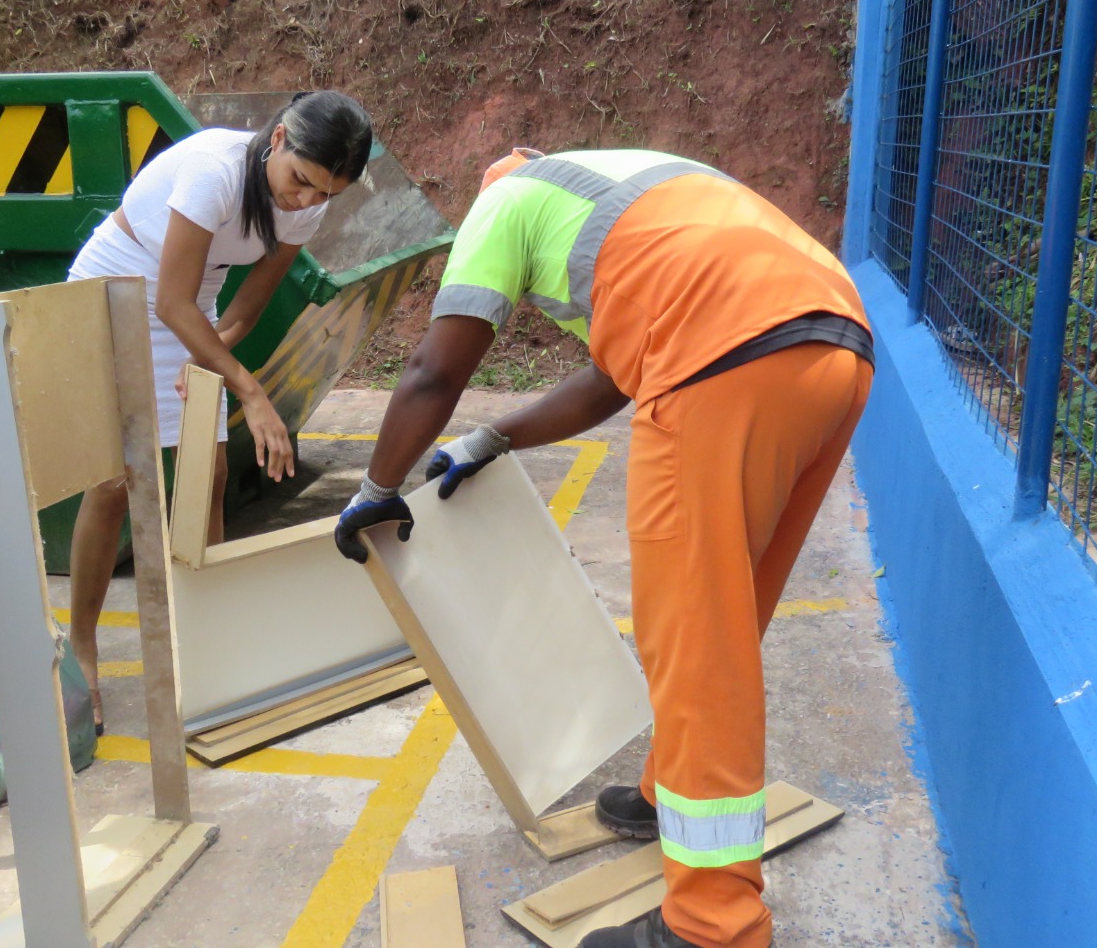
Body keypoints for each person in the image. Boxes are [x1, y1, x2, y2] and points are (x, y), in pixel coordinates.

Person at [334, 147, 873, 948]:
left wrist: (377, 488)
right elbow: (608, 380)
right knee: (728, 607)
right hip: (834, 347)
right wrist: (493, 437)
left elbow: (431, 371)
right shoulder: (628, 191)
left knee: (690, 640)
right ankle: (669, 794)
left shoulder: (503, 201)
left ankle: (711, 924)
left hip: (721, 359)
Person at [68, 90, 373, 735]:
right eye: (301, 183)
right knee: (113, 483)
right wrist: (248, 390)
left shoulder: (303, 205)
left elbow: (238, 313)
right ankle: (83, 654)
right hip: (114, 293)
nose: (306, 202)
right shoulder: (216, 170)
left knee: (204, 482)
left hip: (192, 316)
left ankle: (204, 651)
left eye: (326, 195)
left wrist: (212, 358)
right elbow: (170, 302)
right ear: (280, 139)